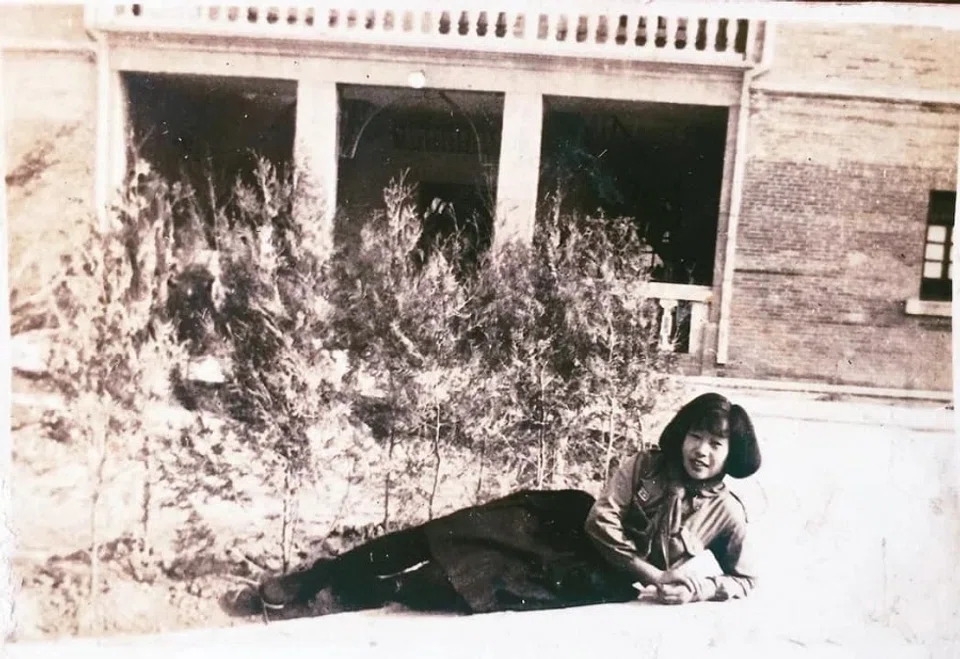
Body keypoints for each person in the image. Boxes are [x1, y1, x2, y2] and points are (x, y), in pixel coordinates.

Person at [252, 392, 761, 615]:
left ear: (729, 454)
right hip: (565, 523)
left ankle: (370, 591)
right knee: (447, 533)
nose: (702, 451)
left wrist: (700, 591)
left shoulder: (728, 513)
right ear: (682, 436)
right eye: (696, 436)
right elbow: (603, 522)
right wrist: (657, 577)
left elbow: (748, 579)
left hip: (595, 577)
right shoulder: (644, 465)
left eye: (716, 445)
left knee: (470, 587)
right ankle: (318, 577)